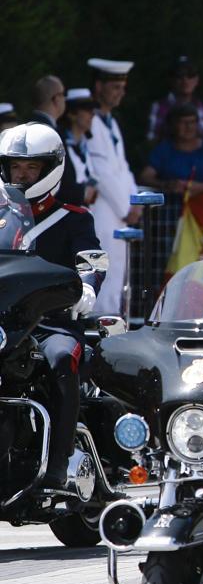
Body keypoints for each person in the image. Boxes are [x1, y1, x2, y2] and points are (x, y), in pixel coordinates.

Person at [0, 123, 101, 494]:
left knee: (61, 360)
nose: (22, 175)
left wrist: (85, 290)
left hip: (52, 323)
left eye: (31, 168)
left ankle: (58, 465)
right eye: (15, 167)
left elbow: (91, 263)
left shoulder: (74, 218)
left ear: (50, 169)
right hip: (5, 323)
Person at [85, 58, 139, 317]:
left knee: (119, 274)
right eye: (114, 86)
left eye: (123, 86)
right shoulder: (92, 123)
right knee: (105, 273)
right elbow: (102, 173)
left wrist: (135, 202)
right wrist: (127, 206)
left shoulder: (110, 122)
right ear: (98, 86)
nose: (120, 92)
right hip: (105, 211)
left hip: (120, 213)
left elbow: (122, 167)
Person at [139, 104, 203, 197]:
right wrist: (166, 184)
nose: (189, 127)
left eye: (192, 122)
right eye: (183, 123)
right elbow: (145, 176)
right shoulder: (163, 149)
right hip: (171, 207)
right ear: (172, 125)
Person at [147, 57, 203, 143]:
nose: (185, 80)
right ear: (171, 79)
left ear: (197, 80)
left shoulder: (198, 105)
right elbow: (151, 139)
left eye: (190, 75)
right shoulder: (159, 106)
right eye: (179, 75)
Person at [58, 89, 98, 207]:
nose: (92, 115)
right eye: (87, 110)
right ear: (72, 114)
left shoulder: (84, 144)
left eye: (92, 110)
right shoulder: (60, 143)